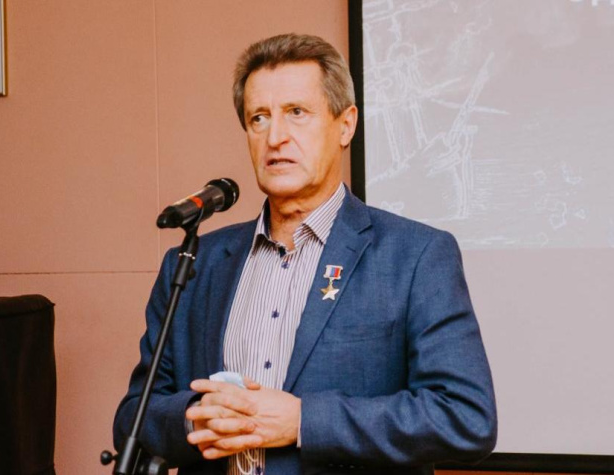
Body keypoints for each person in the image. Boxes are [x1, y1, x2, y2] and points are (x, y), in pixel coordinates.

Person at [114, 33, 497, 474]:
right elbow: (132, 419)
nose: (275, 137)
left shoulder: (415, 256)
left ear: (346, 125)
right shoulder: (196, 262)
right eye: (259, 118)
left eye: (297, 113)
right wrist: (194, 418)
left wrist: (304, 421)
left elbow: (465, 417)